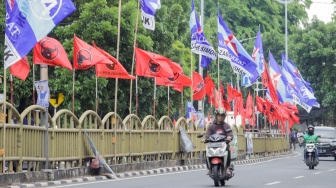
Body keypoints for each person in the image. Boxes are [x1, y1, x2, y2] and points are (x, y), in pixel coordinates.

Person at [204, 108, 233, 175]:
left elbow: (230, 134)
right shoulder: (211, 126)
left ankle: (227, 167)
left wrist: (229, 137)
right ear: (216, 116)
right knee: (206, 152)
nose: (221, 117)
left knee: (227, 150)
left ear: (224, 116)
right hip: (213, 144)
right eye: (219, 115)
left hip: (223, 144)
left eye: (222, 115)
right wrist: (205, 139)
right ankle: (209, 168)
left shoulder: (226, 126)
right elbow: (207, 135)